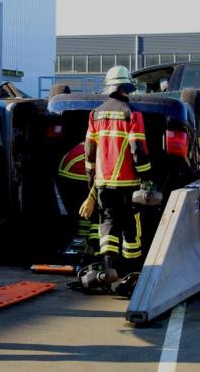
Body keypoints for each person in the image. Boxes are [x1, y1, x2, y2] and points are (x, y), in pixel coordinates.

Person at [84, 65, 155, 285]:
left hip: (104, 182)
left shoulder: (95, 114)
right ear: (127, 88)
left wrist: (91, 181)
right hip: (129, 181)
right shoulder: (132, 113)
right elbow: (138, 150)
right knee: (131, 225)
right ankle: (131, 270)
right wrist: (146, 177)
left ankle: (109, 266)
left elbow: (89, 150)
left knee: (108, 223)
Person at [55, 142, 100, 258]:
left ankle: (81, 244)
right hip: (77, 174)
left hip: (68, 172)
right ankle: (89, 246)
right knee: (93, 212)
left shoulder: (97, 139)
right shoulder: (109, 146)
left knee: (82, 211)